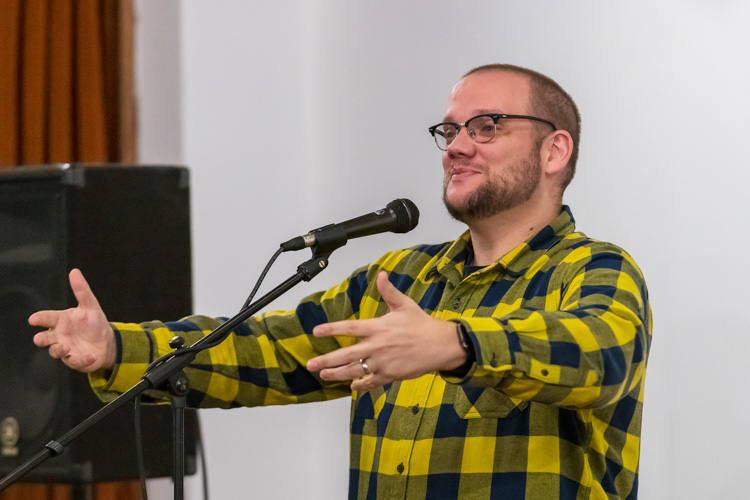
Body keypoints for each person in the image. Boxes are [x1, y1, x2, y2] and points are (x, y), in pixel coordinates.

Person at [30, 64, 652, 499]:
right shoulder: (402, 276)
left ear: (554, 151)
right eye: (449, 130)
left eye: (487, 125)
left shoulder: (596, 270)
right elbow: (270, 349)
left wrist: (457, 344)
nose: (457, 146)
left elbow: (598, 358)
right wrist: (118, 346)